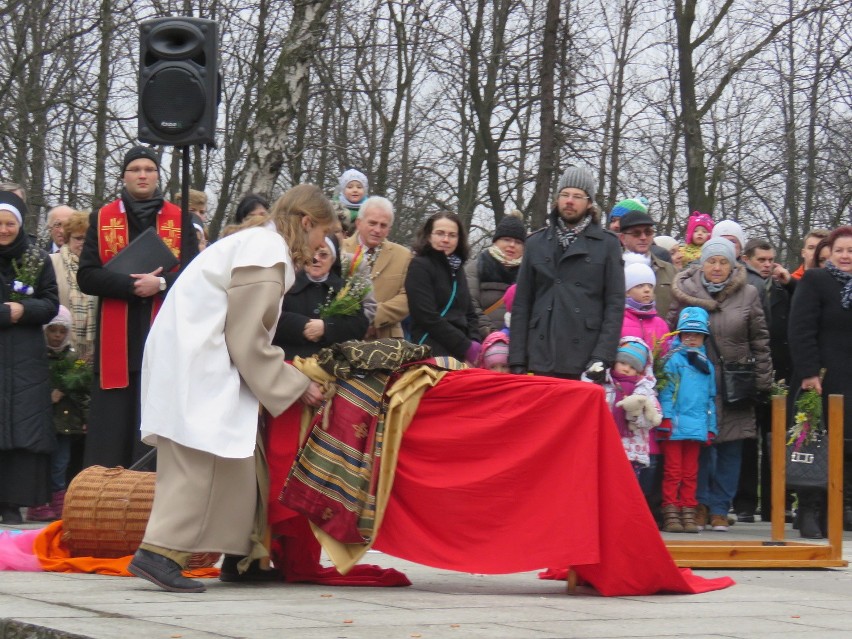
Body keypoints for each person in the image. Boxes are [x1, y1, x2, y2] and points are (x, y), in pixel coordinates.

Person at [127, 183, 333, 593]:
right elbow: (247, 337)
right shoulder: (266, 252)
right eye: (321, 234)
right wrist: (294, 384)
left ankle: (244, 556)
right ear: (306, 222)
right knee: (197, 456)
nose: (319, 245)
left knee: (236, 462)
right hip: (199, 356)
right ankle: (159, 553)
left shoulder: (256, 244)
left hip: (195, 351)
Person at [77, 146, 200, 470]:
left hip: (162, 333)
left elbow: (195, 275)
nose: (142, 174)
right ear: (124, 176)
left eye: (149, 169)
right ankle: (104, 497)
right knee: (113, 424)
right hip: (117, 342)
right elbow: (87, 276)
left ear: (158, 176)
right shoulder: (102, 218)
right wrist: (131, 286)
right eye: (135, 169)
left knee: (153, 417)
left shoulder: (179, 217)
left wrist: (158, 284)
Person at [668, 237, 772, 532]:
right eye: (711, 261)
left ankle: (719, 507)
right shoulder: (686, 291)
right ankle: (697, 504)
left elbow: (760, 340)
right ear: (702, 263)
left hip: (734, 381)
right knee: (700, 445)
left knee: (731, 447)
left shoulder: (749, 293)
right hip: (694, 381)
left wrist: (762, 379)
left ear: (732, 264)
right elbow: (670, 331)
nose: (716, 267)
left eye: (723, 261)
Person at [509, 166, 624, 379]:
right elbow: (522, 303)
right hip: (540, 353)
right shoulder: (535, 242)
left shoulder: (608, 244)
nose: (569, 201)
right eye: (565, 194)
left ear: (590, 203)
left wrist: (602, 356)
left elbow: (615, 305)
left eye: (577, 196)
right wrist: (517, 358)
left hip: (585, 356)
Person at [788, 225, 852, 536]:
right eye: (840, 250)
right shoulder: (816, 280)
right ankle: (810, 509)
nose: (845, 256)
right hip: (821, 378)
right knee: (816, 443)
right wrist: (810, 372)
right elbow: (800, 329)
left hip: (850, 378)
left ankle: (839, 509)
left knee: (848, 446)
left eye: (851, 251)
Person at [0, 191, 59, 525]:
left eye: (10, 224)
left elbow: (51, 303)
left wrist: (25, 309)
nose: (4, 230)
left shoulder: (36, 259)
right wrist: (7, 313)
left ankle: (13, 501)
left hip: (25, 356)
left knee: (23, 426)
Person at [734, 238, 796, 523]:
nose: (768, 264)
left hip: (779, 372)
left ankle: (776, 502)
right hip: (749, 370)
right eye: (762, 259)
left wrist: (789, 285)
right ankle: (745, 502)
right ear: (746, 259)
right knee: (748, 438)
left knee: (775, 438)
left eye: (771, 259)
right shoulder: (742, 287)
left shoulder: (782, 288)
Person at [25, 306, 89, 522]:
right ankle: (38, 503)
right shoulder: (38, 356)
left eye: (62, 331)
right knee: (41, 463)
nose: (58, 336)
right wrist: (47, 395)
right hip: (42, 422)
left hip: (66, 422)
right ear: (45, 331)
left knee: (61, 462)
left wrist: (84, 418)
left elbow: (81, 384)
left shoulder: (73, 358)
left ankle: (59, 502)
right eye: (53, 331)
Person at [657, 307, 717, 534]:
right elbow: (666, 392)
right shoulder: (672, 360)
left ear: (704, 337)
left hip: (697, 427)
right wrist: (666, 418)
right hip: (675, 427)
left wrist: (711, 427)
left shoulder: (706, 365)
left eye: (696, 334)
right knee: (673, 471)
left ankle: (688, 510)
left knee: (691, 472)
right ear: (679, 335)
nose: (691, 338)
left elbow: (710, 399)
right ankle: (670, 510)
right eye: (686, 334)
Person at [273, 235, 370, 359]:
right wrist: (301, 325)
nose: (315, 259)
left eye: (323, 255)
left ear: (333, 259)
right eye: (311, 253)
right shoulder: (286, 284)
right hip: (288, 361)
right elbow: (270, 317)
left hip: (331, 363)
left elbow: (359, 326)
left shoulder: (346, 290)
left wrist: (326, 328)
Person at [406, 212, 481, 363]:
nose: (446, 239)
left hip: (461, 352)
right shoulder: (419, 266)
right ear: (428, 236)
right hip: (431, 347)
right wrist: (465, 345)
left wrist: (475, 341)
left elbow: (469, 313)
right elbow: (426, 316)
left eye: (452, 235)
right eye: (440, 233)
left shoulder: (458, 268)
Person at [341, 196, 411, 339]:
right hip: (344, 336)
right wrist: (357, 321)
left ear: (389, 229)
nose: (377, 230)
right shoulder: (339, 249)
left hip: (387, 340)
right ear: (359, 223)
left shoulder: (404, 256)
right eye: (372, 223)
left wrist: (373, 316)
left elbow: (408, 297)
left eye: (383, 225)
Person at [598, 337, 662, 477]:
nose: (626, 369)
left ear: (640, 371)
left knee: (626, 484)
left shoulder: (644, 391)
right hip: (604, 444)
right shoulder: (604, 384)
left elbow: (654, 417)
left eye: (633, 367)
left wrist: (634, 416)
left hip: (632, 450)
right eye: (622, 363)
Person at [465, 212, 525, 339]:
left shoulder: (528, 272)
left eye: (518, 242)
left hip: (518, 343)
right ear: (496, 241)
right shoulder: (475, 267)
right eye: (506, 239)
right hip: (482, 341)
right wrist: (491, 333)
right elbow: (470, 304)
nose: (512, 245)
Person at [49, 211, 97, 360]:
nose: (83, 242)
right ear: (68, 239)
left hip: (92, 353)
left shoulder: (102, 268)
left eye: (88, 238)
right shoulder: (50, 263)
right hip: (57, 349)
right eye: (78, 238)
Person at [618, 210, 677, 316]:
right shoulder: (612, 269)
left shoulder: (670, 270)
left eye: (648, 232)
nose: (643, 237)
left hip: (662, 331)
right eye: (636, 233)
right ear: (623, 238)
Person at [621, 261, 671, 354]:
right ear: (627, 291)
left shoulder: (660, 324)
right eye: (639, 286)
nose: (647, 290)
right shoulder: (619, 320)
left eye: (650, 286)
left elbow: (666, 355)